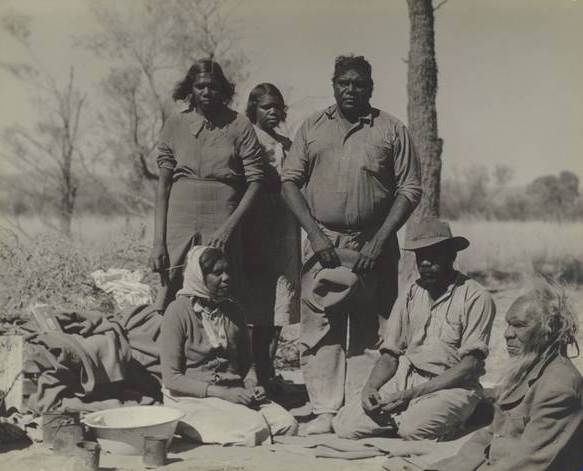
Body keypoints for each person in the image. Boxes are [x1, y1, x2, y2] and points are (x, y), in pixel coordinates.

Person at [281, 54, 422, 434]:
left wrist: (379, 240)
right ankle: (325, 409)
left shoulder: (391, 129)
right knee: (320, 325)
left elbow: (410, 188)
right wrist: (313, 234)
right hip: (322, 242)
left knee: (372, 326)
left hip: (372, 243)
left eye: (358, 83)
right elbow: (289, 182)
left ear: (370, 88)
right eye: (344, 82)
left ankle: (361, 405)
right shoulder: (311, 127)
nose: (350, 89)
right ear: (333, 85)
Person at [333, 217, 496, 441]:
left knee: (412, 429)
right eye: (421, 257)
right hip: (407, 379)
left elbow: (470, 365)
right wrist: (371, 387)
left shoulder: (475, 296)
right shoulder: (411, 291)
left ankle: (467, 411)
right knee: (346, 426)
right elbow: (390, 353)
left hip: (452, 386)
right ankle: (411, 417)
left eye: (433, 256)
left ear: (452, 256)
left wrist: (412, 396)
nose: (425, 264)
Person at [433, 276, 583, 471]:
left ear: (548, 331)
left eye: (520, 325)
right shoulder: (527, 371)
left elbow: (528, 462)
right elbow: (490, 435)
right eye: (508, 324)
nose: (507, 333)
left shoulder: (559, 386)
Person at [150, 59, 263, 312]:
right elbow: (163, 186)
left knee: (221, 287)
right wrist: (158, 241)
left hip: (223, 214)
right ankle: (172, 347)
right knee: (172, 289)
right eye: (200, 86)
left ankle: (222, 348)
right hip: (180, 217)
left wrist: (228, 227)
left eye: (213, 86)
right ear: (191, 88)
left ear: (223, 89)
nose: (206, 92)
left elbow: (256, 181)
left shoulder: (239, 125)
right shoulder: (175, 124)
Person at [159, 245, 298, 446]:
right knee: (254, 428)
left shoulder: (233, 311)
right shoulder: (177, 311)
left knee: (287, 424)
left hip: (233, 394)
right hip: (191, 398)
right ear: (199, 276)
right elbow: (171, 379)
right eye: (217, 273)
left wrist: (252, 385)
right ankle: (186, 424)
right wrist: (222, 393)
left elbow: (247, 365)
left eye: (227, 271)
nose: (226, 278)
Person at [242, 83, 301, 392]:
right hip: (255, 225)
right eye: (266, 106)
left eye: (277, 106)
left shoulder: (288, 143)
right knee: (254, 304)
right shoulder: (245, 137)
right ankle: (251, 371)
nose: (273, 112)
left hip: (285, 227)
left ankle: (268, 370)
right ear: (254, 108)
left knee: (279, 302)